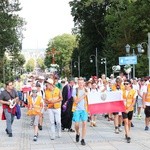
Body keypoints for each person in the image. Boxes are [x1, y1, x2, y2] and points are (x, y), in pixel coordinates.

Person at [72, 77, 88, 146]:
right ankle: (78, 133)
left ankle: (83, 139)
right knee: (76, 125)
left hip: (84, 109)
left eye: (82, 83)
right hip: (77, 109)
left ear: (84, 83)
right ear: (78, 83)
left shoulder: (87, 90)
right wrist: (84, 95)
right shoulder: (75, 90)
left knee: (84, 123)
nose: (81, 84)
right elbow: (76, 101)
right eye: (79, 83)